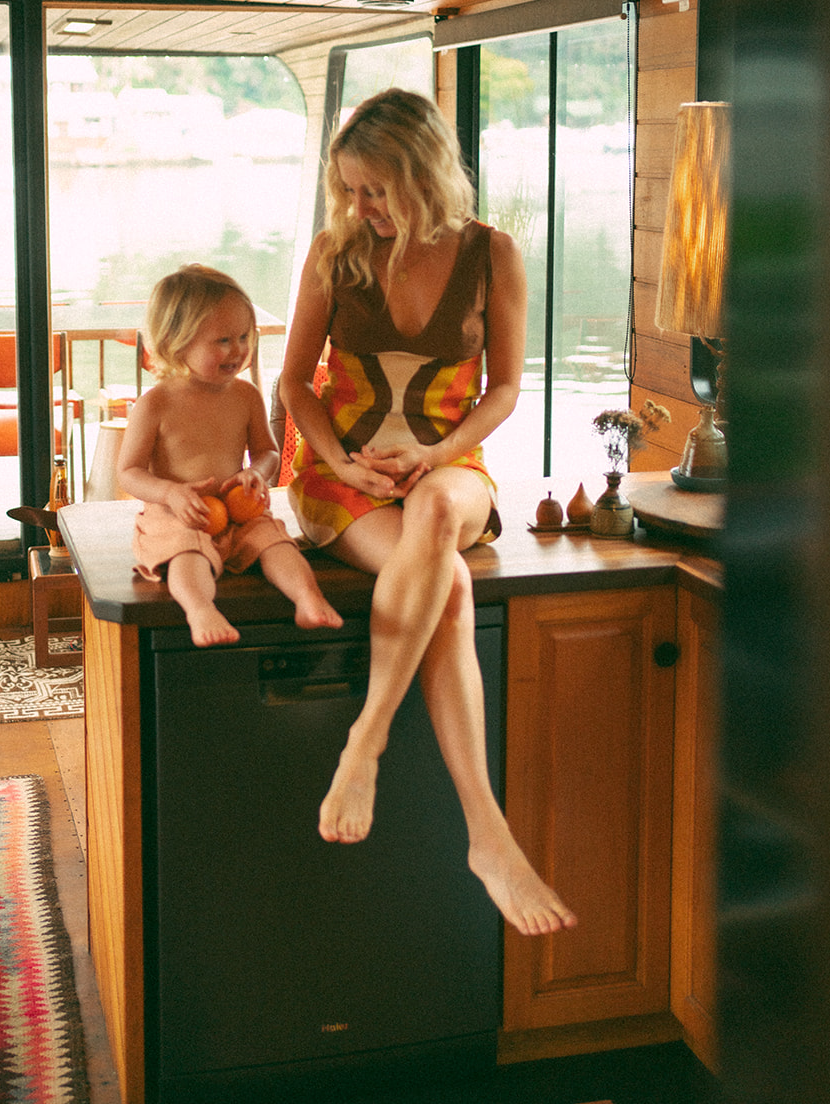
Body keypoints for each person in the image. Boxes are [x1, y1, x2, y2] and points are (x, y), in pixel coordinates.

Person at [279, 89, 576, 937]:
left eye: (375, 190)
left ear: (422, 173)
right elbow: (294, 382)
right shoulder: (333, 253)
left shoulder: (494, 256)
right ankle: (486, 833)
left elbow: (507, 387)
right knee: (444, 579)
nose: (360, 208)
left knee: (442, 512)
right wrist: (339, 460)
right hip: (342, 475)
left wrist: (434, 456)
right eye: (349, 191)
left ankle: (363, 740)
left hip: (448, 468)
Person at [116, 264, 343, 648]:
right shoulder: (155, 404)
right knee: (186, 554)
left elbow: (268, 451)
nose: (237, 350)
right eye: (222, 340)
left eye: (243, 336)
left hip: (236, 511)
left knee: (276, 543)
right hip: (178, 515)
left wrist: (256, 473)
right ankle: (200, 608)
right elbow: (129, 472)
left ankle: (308, 597)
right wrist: (171, 493)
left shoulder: (245, 396)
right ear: (177, 341)